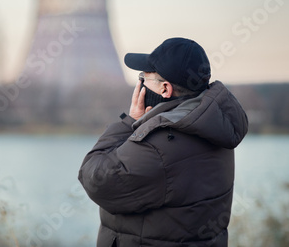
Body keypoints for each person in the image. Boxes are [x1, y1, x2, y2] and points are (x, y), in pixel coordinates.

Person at [78, 37, 248, 247]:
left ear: (165, 89)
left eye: (144, 78)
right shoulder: (214, 127)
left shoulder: (158, 146)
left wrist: (129, 122)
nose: (140, 84)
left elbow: (95, 179)